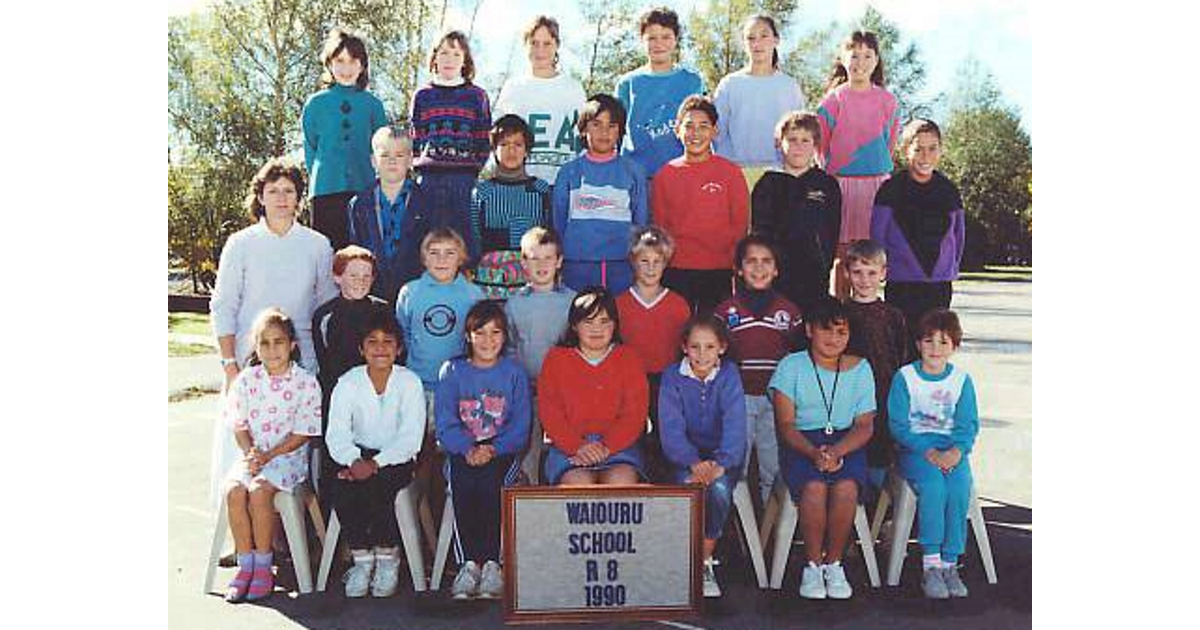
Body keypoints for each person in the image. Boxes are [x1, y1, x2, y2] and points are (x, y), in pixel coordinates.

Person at [210, 158, 338, 508]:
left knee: (294, 447)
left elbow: (326, 305)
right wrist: (229, 365)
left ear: (299, 198)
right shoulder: (241, 243)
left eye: (289, 191)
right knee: (243, 450)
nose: (282, 198)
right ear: (260, 197)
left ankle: (288, 533)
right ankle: (244, 539)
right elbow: (223, 305)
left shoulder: (317, 244)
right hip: (248, 362)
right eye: (273, 191)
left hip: (301, 361)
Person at [769, 296, 876, 600]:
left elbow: (865, 424)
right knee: (814, 487)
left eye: (841, 332)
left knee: (846, 488)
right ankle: (813, 565)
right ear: (809, 330)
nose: (833, 338)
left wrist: (838, 451)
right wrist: (815, 453)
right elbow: (786, 425)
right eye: (826, 330)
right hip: (802, 443)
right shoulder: (791, 366)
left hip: (847, 442)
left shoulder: (861, 368)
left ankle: (835, 563)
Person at [221, 308, 322, 602]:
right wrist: (250, 452)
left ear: (292, 345)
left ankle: (264, 566)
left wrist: (269, 456)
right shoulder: (247, 380)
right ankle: (245, 564)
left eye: (279, 342)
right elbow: (238, 424)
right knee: (234, 490)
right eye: (264, 343)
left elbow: (303, 432)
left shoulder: (305, 382)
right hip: (253, 455)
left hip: (287, 458)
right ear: (256, 346)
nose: (272, 349)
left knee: (259, 490)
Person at [325, 312, 426, 599]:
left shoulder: (409, 382)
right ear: (361, 349)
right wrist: (354, 461)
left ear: (399, 348)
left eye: (388, 342)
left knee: (380, 487)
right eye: (372, 342)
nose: (380, 348)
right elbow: (337, 432)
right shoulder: (348, 383)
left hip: (396, 458)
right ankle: (362, 559)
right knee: (342, 488)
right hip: (357, 455)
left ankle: (387, 557)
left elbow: (410, 437)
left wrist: (375, 464)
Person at [435, 302, 532, 600]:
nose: (488, 340)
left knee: (493, 485)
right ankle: (468, 565)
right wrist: (466, 449)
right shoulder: (452, 370)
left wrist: (494, 448)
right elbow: (445, 422)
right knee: (462, 484)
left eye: (496, 332)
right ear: (468, 335)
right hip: (463, 452)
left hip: (502, 452)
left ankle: (493, 564)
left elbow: (520, 426)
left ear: (505, 337)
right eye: (480, 333)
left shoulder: (514, 373)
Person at [887, 309, 978, 600]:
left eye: (943, 342)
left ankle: (951, 562)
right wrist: (927, 451)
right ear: (918, 344)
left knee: (959, 488)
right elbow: (898, 425)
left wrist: (957, 451)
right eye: (928, 341)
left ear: (954, 346)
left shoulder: (962, 381)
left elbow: (968, 424)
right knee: (934, 487)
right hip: (916, 449)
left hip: (951, 450)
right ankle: (931, 564)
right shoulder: (906, 377)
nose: (935, 349)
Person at [657, 316, 746, 598]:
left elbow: (735, 426)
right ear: (684, 347)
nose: (702, 354)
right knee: (688, 489)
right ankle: (682, 561)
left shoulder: (729, 375)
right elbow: (670, 428)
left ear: (722, 347)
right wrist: (693, 462)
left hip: (723, 459)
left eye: (710, 346)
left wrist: (721, 463)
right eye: (695, 346)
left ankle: (704, 562)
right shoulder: (672, 377)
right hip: (685, 459)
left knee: (718, 491)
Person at [715, 235, 803, 503]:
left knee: (773, 467)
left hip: (775, 401)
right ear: (738, 269)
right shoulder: (725, 310)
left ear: (776, 269)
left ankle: (770, 531)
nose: (758, 268)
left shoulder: (789, 312)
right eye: (751, 261)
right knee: (734, 464)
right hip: (737, 400)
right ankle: (729, 527)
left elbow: (796, 361)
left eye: (766, 261)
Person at [816, 30, 900, 300]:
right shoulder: (832, 101)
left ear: (876, 61)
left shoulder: (887, 101)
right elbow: (821, 147)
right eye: (854, 56)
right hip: (841, 187)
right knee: (842, 257)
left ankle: (867, 313)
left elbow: (890, 143)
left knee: (871, 257)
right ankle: (840, 318)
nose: (860, 62)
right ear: (843, 59)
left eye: (867, 56)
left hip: (877, 187)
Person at [539, 288, 649, 485]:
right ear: (574, 325)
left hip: (619, 447)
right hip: (569, 448)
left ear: (615, 325)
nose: (596, 329)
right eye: (588, 322)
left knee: (620, 483)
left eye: (604, 321)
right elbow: (550, 413)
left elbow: (635, 414)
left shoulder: (629, 358)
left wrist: (607, 446)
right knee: (579, 486)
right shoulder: (556, 359)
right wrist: (578, 447)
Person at [651, 95, 749, 313]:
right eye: (689, 126)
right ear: (677, 130)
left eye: (703, 126)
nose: (696, 133)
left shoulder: (730, 172)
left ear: (715, 131)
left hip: (718, 270)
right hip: (677, 271)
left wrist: (731, 261)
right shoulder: (665, 175)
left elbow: (740, 224)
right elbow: (660, 227)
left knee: (713, 336)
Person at [870, 119, 965, 341]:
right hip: (902, 282)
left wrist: (950, 267)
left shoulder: (948, 191)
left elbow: (958, 235)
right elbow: (877, 235)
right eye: (918, 149)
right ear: (906, 151)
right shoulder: (890, 189)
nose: (925, 156)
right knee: (903, 343)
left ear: (940, 150)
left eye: (932, 148)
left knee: (934, 343)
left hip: (939, 283)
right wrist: (882, 269)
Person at [312, 246, 395, 495]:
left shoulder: (382, 311)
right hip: (338, 402)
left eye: (366, 276)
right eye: (353, 275)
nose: (361, 282)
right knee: (337, 470)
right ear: (337, 277)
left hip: (377, 400)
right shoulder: (324, 315)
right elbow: (324, 362)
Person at [301, 28, 390, 251]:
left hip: (364, 190)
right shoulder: (315, 104)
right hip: (325, 192)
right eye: (340, 61)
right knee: (326, 256)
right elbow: (310, 148)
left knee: (362, 256)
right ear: (329, 64)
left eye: (353, 61)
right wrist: (322, 178)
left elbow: (382, 147)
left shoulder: (373, 105)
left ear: (362, 65)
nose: (346, 68)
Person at [615, 226, 690, 480]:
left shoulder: (678, 304)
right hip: (630, 382)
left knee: (663, 439)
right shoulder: (619, 303)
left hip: (666, 381)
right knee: (631, 438)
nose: (650, 268)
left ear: (666, 264)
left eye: (657, 262)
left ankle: (664, 489)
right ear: (633, 262)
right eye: (644, 261)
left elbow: (684, 351)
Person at [552, 94, 648, 293]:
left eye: (612, 125)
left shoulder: (634, 171)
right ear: (584, 128)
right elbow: (559, 221)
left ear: (620, 131)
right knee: (579, 320)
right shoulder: (569, 171)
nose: (604, 132)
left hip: (621, 265)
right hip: (577, 264)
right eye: (596, 124)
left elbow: (640, 221)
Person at [503, 227, 577, 482]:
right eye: (534, 258)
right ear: (523, 262)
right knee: (528, 453)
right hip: (527, 392)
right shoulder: (515, 303)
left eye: (548, 258)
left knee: (564, 450)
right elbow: (510, 346)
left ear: (559, 261)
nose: (541, 265)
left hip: (564, 394)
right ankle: (530, 501)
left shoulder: (573, 302)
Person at [410, 30, 491, 254]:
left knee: (464, 243)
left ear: (465, 60)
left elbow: (483, 139)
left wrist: (471, 166)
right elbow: (415, 138)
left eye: (456, 54)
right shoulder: (422, 96)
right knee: (429, 242)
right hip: (428, 180)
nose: (449, 60)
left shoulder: (477, 96)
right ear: (434, 57)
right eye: (444, 53)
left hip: (463, 181)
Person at [751, 111, 842, 310]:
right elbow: (759, 233)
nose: (798, 146)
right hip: (775, 278)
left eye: (805, 140)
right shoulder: (768, 184)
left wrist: (824, 265)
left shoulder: (827, 185)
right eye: (792, 139)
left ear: (815, 145)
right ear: (779, 143)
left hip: (813, 276)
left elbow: (831, 232)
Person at [841, 239, 911, 495]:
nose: (865, 279)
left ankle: (878, 511)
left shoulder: (894, 315)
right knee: (854, 447)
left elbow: (902, 357)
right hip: (849, 398)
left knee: (881, 451)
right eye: (857, 272)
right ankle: (854, 505)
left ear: (883, 273)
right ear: (847, 273)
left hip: (885, 394)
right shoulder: (840, 313)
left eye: (872, 272)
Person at [712, 14, 806, 189]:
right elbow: (717, 133)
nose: (758, 43)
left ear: (776, 40)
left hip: (779, 175)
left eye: (764, 35)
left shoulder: (789, 86)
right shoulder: (729, 84)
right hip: (736, 175)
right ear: (744, 43)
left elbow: (799, 133)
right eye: (751, 37)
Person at [615, 6, 705, 184]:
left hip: (682, 175)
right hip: (637, 177)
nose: (659, 44)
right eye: (652, 38)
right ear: (642, 40)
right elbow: (615, 132)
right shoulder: (628, 83)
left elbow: (704, 129)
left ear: (676, 39)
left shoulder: (692, 81)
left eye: (666, 37)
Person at [492, 15, 587, 184]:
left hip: (564, 184)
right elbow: (498, 137)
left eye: (547, 43)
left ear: (557, 45)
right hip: (521, 183)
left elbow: (584, 138)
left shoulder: (573, 89)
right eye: (534, 43)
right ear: (526, 46)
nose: (540, 50)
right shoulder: (513, 88)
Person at [470, 114, 552, 300]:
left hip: (532, 287)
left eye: (517, 144)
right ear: (493, 150)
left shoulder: (541, 190)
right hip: (490, 286)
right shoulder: (482, 192)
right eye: (504, 144)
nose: (511, 151)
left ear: (527, 150)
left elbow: (550, 239)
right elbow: (474, 240)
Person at [347, 126, 427, 303]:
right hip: (373, 294)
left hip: (416, 293)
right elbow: (355, 252)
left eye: (399, 155)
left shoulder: (427, 201)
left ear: (411, 160)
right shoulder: (359, 204)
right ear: (373, 161)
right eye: (385, 155)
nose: (392, 161)